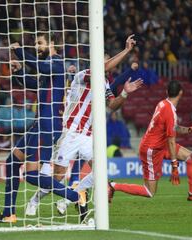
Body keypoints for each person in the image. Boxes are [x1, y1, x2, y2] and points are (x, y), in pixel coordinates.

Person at [27, 35, 143, 221]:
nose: (108, 64)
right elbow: (102, 68)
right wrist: (127, 51)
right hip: (70, 132)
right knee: (57, 177)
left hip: (88, 136)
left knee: (100, 171)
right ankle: (34, 200)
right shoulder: (84, 75)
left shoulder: (104, 83)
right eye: (105, 61)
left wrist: (124, 93)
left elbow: (112, 105)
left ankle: (70, 196)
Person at [0, 32, 86, 223]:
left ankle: (75, 196)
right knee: (11, 162)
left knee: (32, 175)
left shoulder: (57, 64)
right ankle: (9, 213)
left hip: (48, 126)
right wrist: (18, 72)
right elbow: (34, 83)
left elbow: (39, 66)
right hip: (38, 125)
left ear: (51, 44)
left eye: (39, 43)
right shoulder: (48, 71)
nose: (37, 47)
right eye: (35, 44)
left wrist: (20, 52)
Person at [108, 80, 192, 202]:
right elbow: (171, 140)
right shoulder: (169, 111)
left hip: (161, 145)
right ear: (181, 93)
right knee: (149, 192)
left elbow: (173, 128)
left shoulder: (163, 103)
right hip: (151, 149)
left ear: (167, 92)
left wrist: (191, 130)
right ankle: (112, 186)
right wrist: (174, 166)